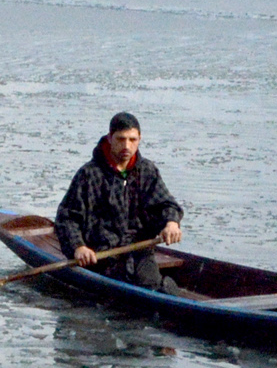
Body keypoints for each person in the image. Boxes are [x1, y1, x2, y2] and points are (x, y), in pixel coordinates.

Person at [55, 113, 184, 289]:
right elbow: (67, 218)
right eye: (121, 139)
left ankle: (166, 292)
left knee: (151, 285)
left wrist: (171, 223)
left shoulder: (147, 171)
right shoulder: (89, 174)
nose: (127, 146)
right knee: (122, 282)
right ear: (110, 138)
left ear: (140, 139)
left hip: (139, 252)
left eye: (132, 140)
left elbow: (166, 204)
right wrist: (78, 247)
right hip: (101, 255)